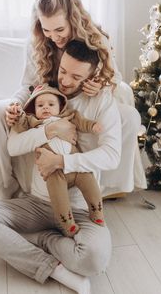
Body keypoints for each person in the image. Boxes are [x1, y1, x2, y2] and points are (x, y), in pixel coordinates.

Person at [0, 40, 122, 294]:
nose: (66, 81)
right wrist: (50, 129)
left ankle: (41, 239)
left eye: (76, 76)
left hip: (77, 209)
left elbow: (112, 155)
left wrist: (62, 162)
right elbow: (14, 146)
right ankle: (52, 267)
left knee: (94, 259)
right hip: (36, 203)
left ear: (92, 76)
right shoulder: (42, 97)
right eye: (63, 71)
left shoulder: (102, 101)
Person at [0, 0, 141, 200]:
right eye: (46, 30)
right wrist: (16, 105)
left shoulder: (96, 39)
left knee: (130, 116)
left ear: (73, 20)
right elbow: (28, 85)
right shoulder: (37, 43)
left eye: (59, 30)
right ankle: (6, 186)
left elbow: (116, 79)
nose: (54, 37)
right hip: (47, 104)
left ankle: (107, 188)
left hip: (82, 102)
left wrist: (101, 84)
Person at [11, 81, 105, 237]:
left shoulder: (68, 116)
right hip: (54, 171)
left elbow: (82, 123)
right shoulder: (33, 123)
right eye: (40, 105)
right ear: (34, 109)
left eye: (50, 104)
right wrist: (18, 113)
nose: (45, 107)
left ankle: (97, 211)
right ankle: (67, 223)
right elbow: (20, 125)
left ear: (60, 106)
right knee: (57, 194)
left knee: (88, 176)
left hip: (73, 164)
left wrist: (92, 126)